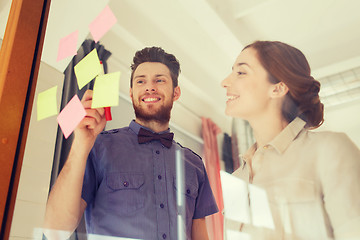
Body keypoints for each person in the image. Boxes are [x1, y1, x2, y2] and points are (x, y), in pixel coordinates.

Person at [43, 47, 218, 240]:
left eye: (159, 80)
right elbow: (54, 231)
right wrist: (81, 144)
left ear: (176, 92)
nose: (149, 87)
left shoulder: (195, 164)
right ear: (131, 91)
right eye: (141, 81)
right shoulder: (99, 147)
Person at [221, 40, 360, 239]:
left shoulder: (330, 149)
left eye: (241, 72)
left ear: (277, 88)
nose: (225, 82)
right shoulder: (237, 179)